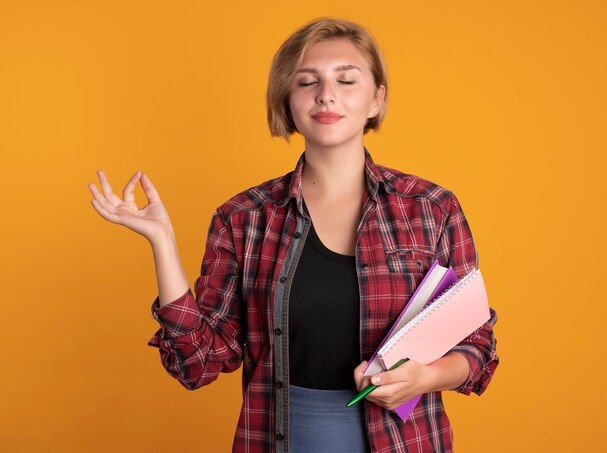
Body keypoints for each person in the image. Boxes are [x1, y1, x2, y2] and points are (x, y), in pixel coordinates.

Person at [88, 17, 498, 453]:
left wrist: (426, 378)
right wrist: (163, 244)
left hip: (407, 441)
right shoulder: (243, 217)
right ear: (287, 100)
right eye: (307, 82)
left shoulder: (431, 207)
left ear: (376, 99)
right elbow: (198, 363)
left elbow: (477, 344)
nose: (326, 94)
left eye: (346, 80)